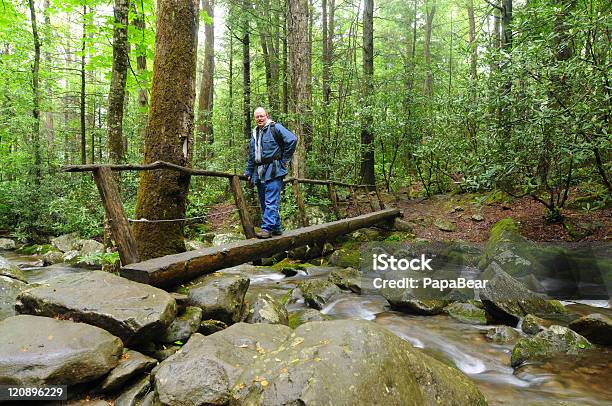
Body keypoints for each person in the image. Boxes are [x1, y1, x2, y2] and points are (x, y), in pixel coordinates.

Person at [245, 107, 297, 239]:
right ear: (255, 118)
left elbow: (292, 139)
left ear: (266, 115)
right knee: (264, 202)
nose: (259, 119)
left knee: (271, 201)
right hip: (259, 172)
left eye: (261, 116)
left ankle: (267, 229)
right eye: (257, 117)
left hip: (274, 170)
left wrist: (285, 160)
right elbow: (252, 155)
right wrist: (249, 171)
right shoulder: (255, 133)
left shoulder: (275, 127)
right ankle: (277, 228)